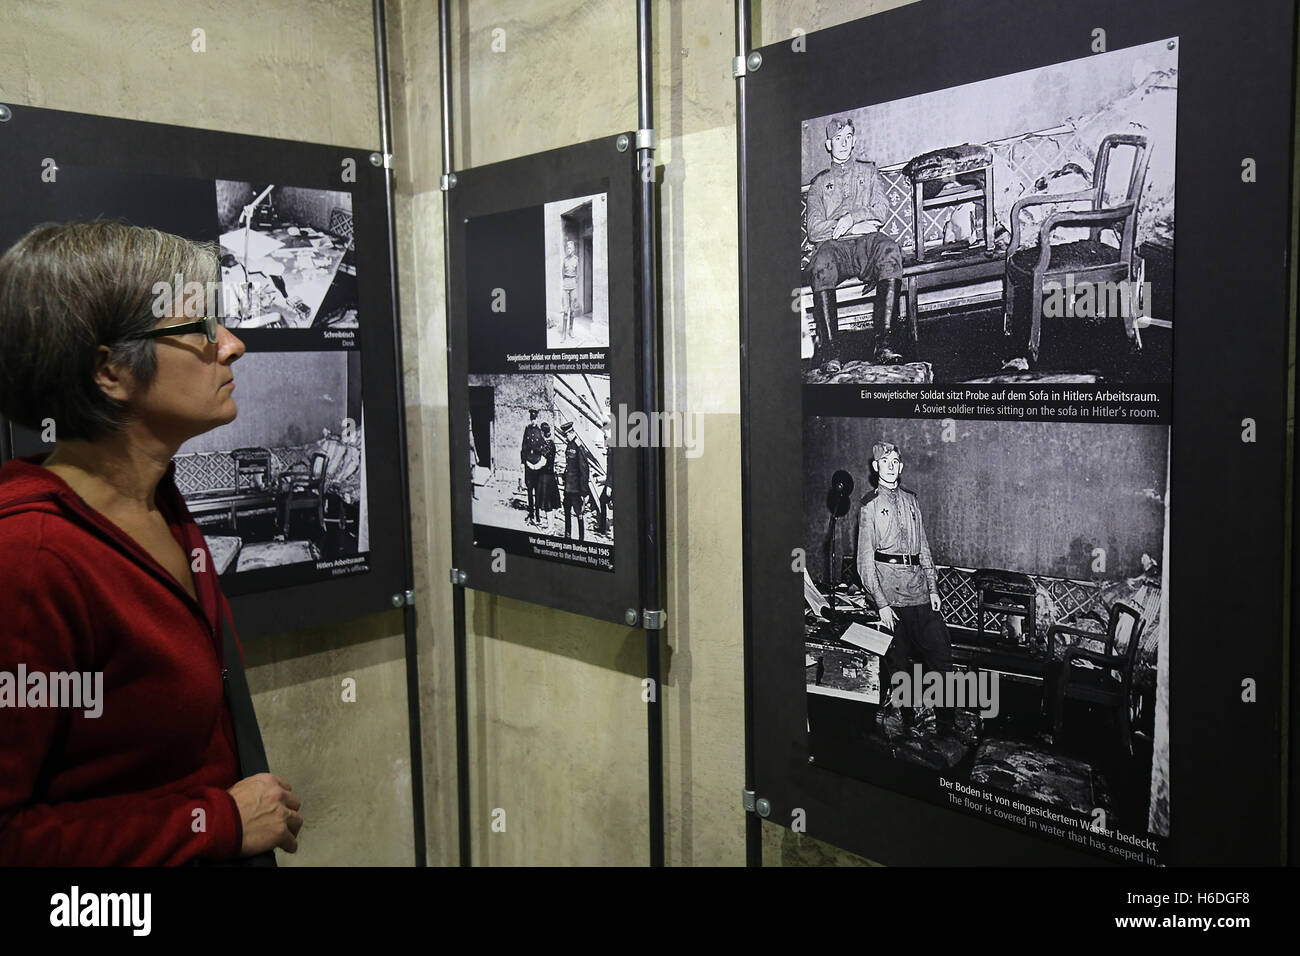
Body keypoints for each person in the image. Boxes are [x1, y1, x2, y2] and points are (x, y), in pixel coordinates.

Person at [0, 220, 303, 865]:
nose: (232, 346)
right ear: (110, 371)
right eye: (199, 329)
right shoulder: (31, 560)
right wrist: (212, 823)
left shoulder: (159, 503)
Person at [856, 440, 961, 740]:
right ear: (875, 467)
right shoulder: (869, 506)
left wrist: (933, 588)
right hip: (891, 599)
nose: (891, 465)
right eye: (884, 460)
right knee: (899, 666)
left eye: (896, 460)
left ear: (901, 466)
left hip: (919, 593)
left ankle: (946, 726)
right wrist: (881, 604)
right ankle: (908, 722)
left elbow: (924, 548)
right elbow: (865, 562)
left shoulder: (912, 500)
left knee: (941, 656)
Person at [805, 117, 907, 372]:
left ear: (854, 140)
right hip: (836, 246)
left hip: (866, 242)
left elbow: (881, 210)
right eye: (837, 139)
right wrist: (848, 225)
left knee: (889, 250)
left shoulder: (869, 172)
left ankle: (884, 344)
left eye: (848, 137)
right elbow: (814, 229)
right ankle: (830, 354)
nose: (843, 143)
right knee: (820, 262)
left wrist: (854, 217)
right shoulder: (819, 184)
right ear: (829, 144)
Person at [559, 423, 590, 542]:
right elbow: (569, 466)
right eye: (565, 435)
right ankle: (567, 536)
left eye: (567, 434)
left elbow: (584, 470)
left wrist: (584, 491)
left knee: (579, 514)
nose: (566, 437)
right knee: (566, 510)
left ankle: (581, 539)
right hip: (568, 487)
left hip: (576, 488)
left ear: (572, 433)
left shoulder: (578, 447)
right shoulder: (569, 445)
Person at [533, 422, 561, 534]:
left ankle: (551, 528)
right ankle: (551, 526)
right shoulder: (551, 444)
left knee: (547, 504)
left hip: (545, 477)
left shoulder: (546, 445)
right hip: (550, 476)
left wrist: (532, 466)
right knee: (550, 503)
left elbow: (543, 462)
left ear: (543, 433)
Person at [521, 408, 544, 525]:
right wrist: (522, 462)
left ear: (537, 419)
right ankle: (531, 514)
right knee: (529, 490)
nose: (533, 421)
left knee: (538, 491)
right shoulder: (527, 430)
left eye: (535, 418)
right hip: (528, 464)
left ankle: (538, 515)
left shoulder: (540, 431)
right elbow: (523, 446)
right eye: (532, 419)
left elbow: (543, 448)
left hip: (537, 464)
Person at [560, 239, 580, 341]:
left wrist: (573, 283)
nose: (568, 249)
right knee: (565, 310)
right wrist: (566, 282)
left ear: (573, 249)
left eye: (570, 248)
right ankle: (563, 333)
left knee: (572, 310)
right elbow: (562, 273)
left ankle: (571, 330)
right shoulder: (564, 260)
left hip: (573, 285)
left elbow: (578, 274)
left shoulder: (576, 259)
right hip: (565, 285)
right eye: (567, 248)